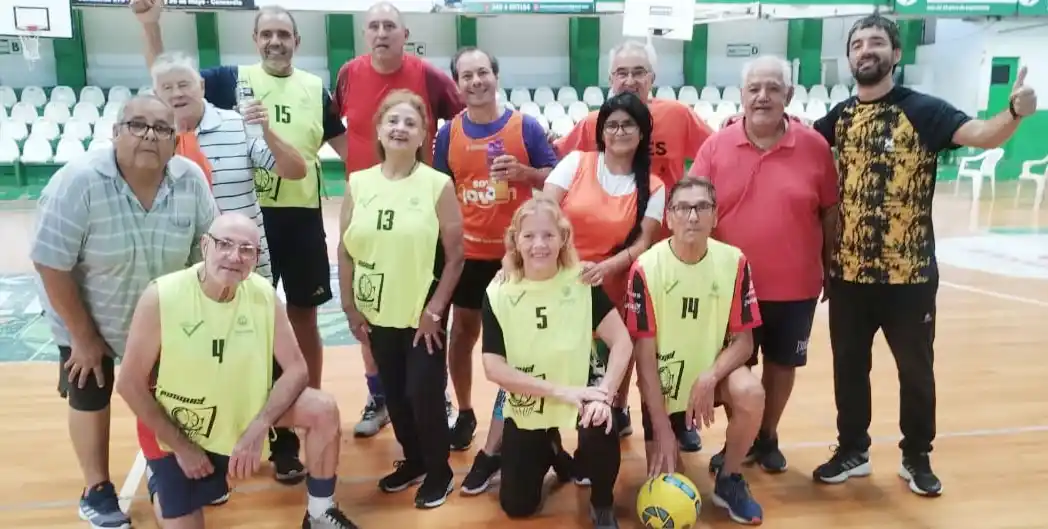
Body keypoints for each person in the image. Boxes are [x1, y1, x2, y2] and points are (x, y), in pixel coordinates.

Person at [810, 14, 1037, 497]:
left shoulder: (924, 110)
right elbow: (799, 150)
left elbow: (982, 134)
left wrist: (1015, 112)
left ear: (895, 55)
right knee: (849, 367)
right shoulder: (840, 117)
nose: (866, 50)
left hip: (909, 276)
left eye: (877, 42)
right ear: (849, 57)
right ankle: (852, 449)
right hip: (848, 276)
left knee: (915, 370)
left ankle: (916, 456)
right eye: (857, 44)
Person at [133, 0, 349, 484]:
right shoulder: (229, 79)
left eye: (283, 33)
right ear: (254, 40)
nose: (275, 40)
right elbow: (168, 82)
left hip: (285, 222)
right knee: (209, 344)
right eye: (265, 33)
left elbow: (325, 152)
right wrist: (150, 26)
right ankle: (198, 440)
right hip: (223, 244)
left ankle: (288, 430)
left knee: (289, 331)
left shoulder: (312, 89)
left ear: (297, 40)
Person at [30, 94, 218, 529]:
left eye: (162, 128)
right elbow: (50, 262)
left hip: (161, 317)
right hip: (85, 313)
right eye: (137, 125)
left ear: (175, 140)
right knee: (90, 387)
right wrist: (82, 337)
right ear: (115, 132)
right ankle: (96, 489)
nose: (150, 135)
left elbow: (204, 253)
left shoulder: (190, 179)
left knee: (169, 393)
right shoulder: (78, 181)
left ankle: (164, 469)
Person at [115, 213, 357, 529]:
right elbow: (129, 384)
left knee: (323, 409)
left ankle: (319, 513)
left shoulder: (261, 293)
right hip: (182, 428)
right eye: (224, 244)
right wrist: (182, 447)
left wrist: (259, 426)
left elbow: (297, 369)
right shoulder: (162, 296)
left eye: (246, 249)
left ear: (256, 259)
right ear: (204, 246)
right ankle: (159, 480)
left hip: (242, 413)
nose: (234, 256)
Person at [553, 40, 713, 451]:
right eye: (622, 73)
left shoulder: (677, 116)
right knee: (613, 343)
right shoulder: (592, 125)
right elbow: (555, 167)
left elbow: (715, 151)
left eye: (638, 71)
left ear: (653, 78)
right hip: (606, 266)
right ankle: (613, 407)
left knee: (666, 346)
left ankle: (674, 420)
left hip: (669, 259)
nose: (630, 79)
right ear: (609, 80)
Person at [689, 56, 838, 475]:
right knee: (737, 367)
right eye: (754, 88)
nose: (763, 96)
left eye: (773, 88)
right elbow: (695, 207)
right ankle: (741, 438)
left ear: (788, 96)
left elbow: (829, 213)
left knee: (782, 364)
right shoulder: (715, 146)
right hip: (729, 285)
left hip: (795, 284)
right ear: (741, 95)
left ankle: (767, 434)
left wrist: (828, 266)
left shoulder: (814, 147)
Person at [332, 1, 466, 438]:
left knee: (423, 315)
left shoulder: (426, 74)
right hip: (369, 203)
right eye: (373, 25)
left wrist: (440, 168)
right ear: (365, 34)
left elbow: (462, 117)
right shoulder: (349, 74)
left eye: (390, 25)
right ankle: (380, 396)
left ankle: (435, 396)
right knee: (372, 316)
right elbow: (340, 128)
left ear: (404, 33)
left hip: (415, 206)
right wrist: (359, 168)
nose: (381, 32)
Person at [430, 47, 558, 467]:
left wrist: (525, 174)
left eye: (482, 72)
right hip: (469, 256)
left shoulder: (526, 127)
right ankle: (465, 411)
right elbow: (440, 191)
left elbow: (557, 177)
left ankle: (524, 421)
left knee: (520, 344)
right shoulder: (449, 134)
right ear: (458, 84)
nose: (476, 81)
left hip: (518, 257)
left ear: (496, 76)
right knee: (463, 335)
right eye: (466, 76)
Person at [338, 90, 465, 509]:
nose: (400, 128)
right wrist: (350, 307)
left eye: (410, 123)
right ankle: (415, 460)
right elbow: (344, 249)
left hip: (420, 314)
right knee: (393, 394)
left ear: (422, 136)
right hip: (375, 313)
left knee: (423, 393)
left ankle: (440, 470)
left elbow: (456, 256)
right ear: (378, 129)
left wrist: (434, 311)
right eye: (393, 120)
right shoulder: (359, 183)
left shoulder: (436, 185)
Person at [481, 196, 633, 529]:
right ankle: (550, 446)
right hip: (533, 399)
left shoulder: (582, 281)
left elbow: (621, 341)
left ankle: (602, 503)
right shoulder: (499, 293)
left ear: (563, 238)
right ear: (515, 242)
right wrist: (562, 392)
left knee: (600, 419)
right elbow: (493, 368)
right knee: (518, 506)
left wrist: (605, 391)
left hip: (583, 390)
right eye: (529, 236)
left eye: (548, 235)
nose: (539, 245)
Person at [629, 177, 765, 525]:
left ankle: (729, 478)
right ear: (669, 218)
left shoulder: (734, 261)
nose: (693, 216)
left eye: (702, 207)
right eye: (683, 208)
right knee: (665, 487)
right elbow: (644, 358)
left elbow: (744, 342)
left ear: (715, 216)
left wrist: (710, 377)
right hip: (665, 384)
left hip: (713, 376)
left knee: (750, 392)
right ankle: (671, 432)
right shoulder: (646, 268)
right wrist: (661, 428)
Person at [150, 50, 309, 285]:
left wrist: (266, 129)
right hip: (180, 268)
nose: (177, 93)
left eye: (184, 84)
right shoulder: (149, 139)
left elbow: (296, 171)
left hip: (242, 261)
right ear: (156, 94)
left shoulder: (237, 124)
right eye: (167, 87)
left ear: (202, 86)